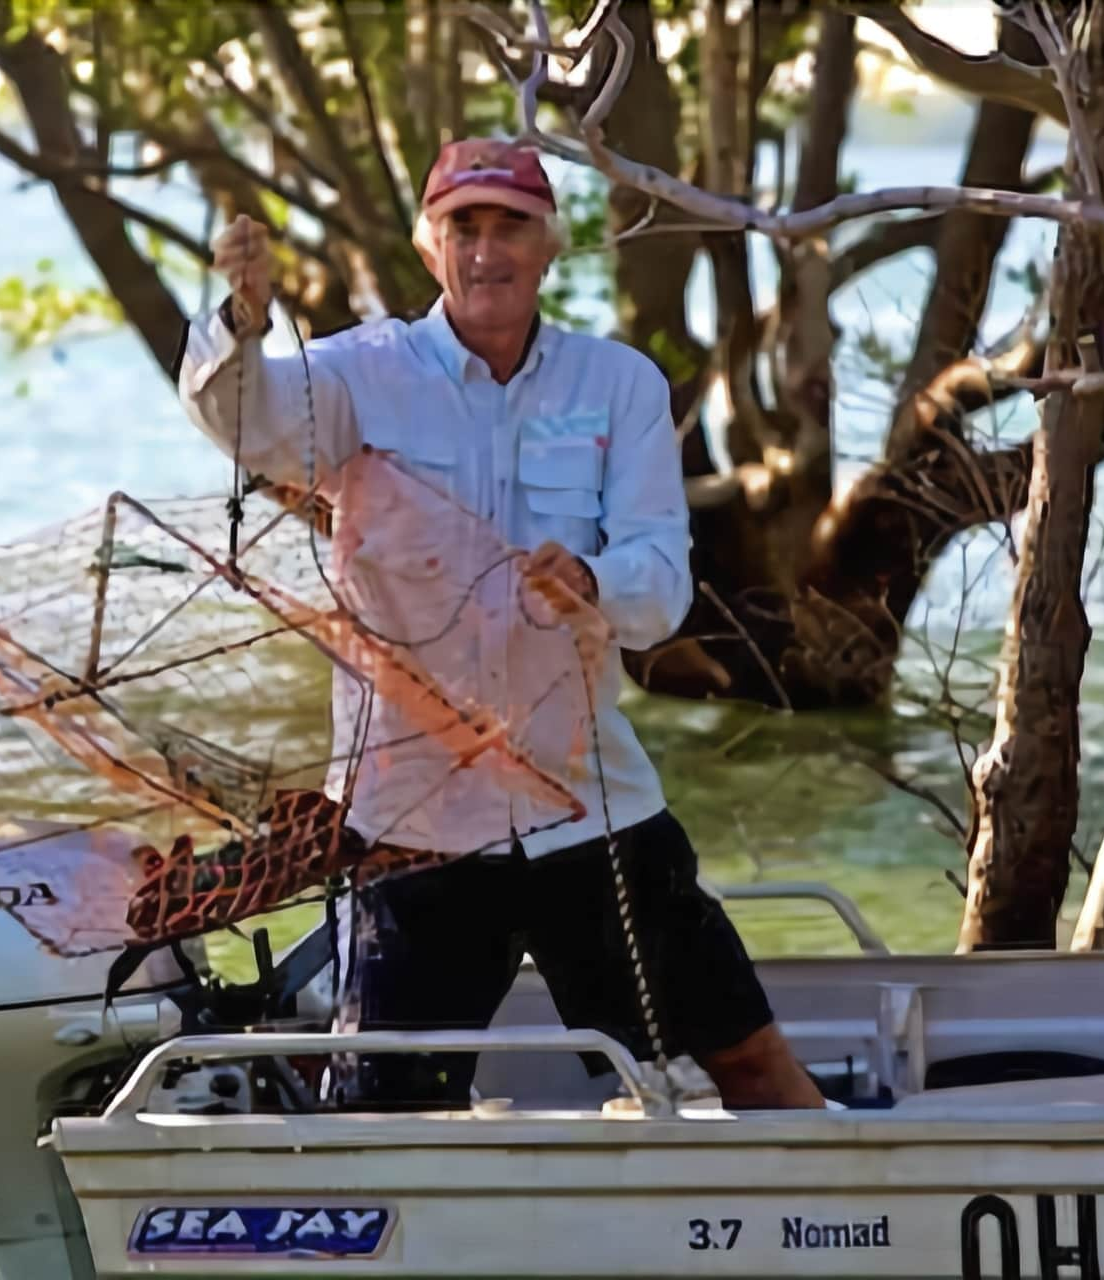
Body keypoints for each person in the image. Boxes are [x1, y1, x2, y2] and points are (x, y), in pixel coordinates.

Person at [176, 137, 824, 1111]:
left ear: (549, 246)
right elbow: (245, 423)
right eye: (462, 227)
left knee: (746, 1061)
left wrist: (594, 582)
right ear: (430, 248)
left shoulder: (620, 385)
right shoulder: (359, 373)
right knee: (387, 1108)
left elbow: (659, 587)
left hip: (586, 804)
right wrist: (242, 317)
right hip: (411, 824)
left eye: (509, 225)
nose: (486, 250)